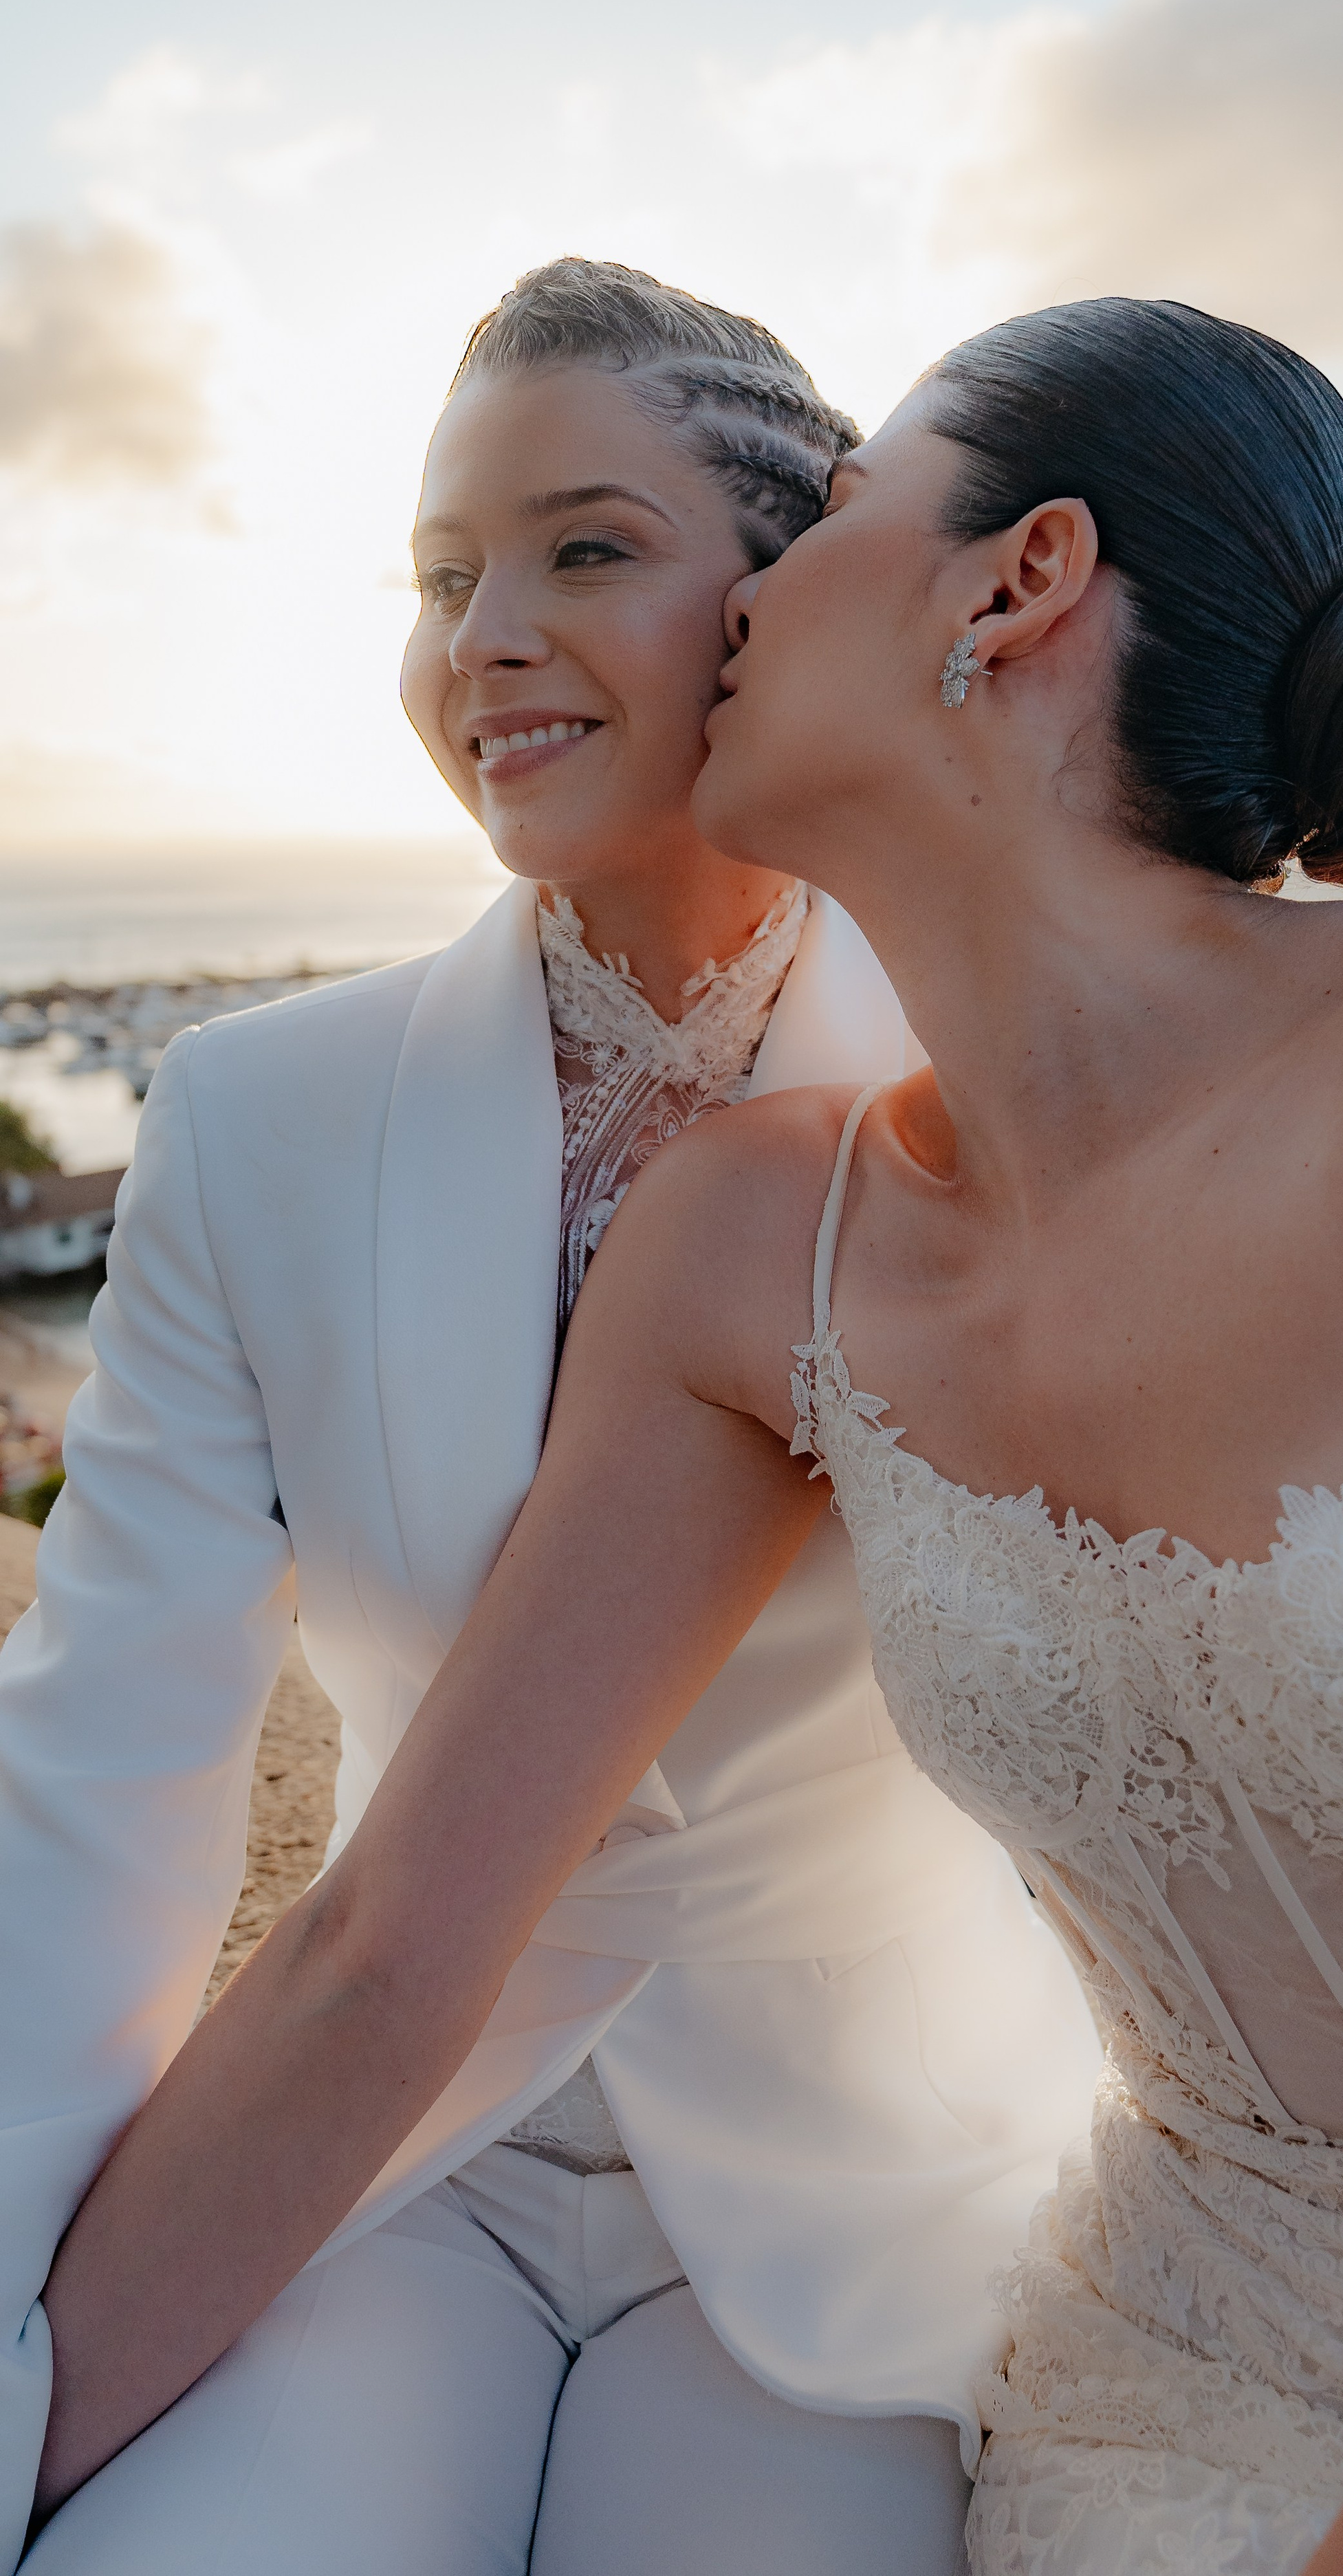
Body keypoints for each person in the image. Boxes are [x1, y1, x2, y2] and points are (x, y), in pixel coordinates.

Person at [32, 290, 1343, 2576]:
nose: (739, 605)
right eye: (444, 578)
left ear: (1019, 584)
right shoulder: (756, 1243)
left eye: (824, 517)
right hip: (1139, 2383)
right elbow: (380, 1935)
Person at [0, 260, 1101, 2576]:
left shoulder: (1011, 1089)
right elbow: (101, 1778)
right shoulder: (256, 1114)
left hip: (863, 2210)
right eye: (438, 578)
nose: (481, 637)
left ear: (782, 598)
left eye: (585, 549)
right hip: (373, 2170)